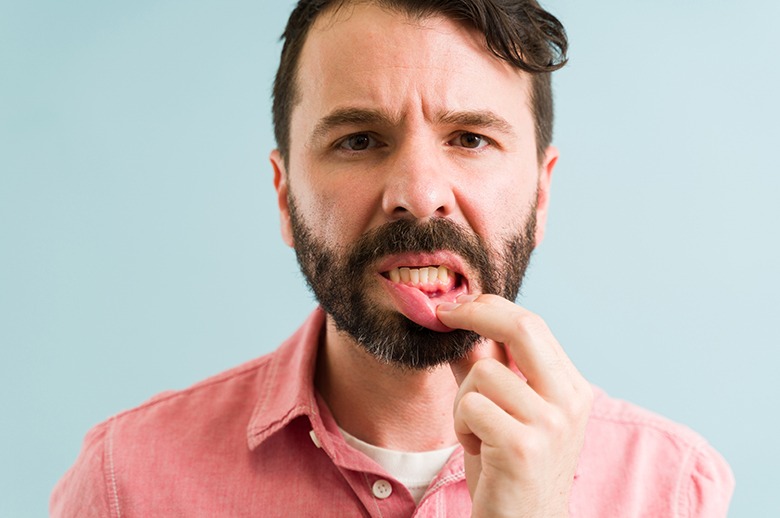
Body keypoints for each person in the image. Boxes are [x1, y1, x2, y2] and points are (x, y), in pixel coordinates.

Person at [51, 1, 735, 516]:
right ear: (285, 196)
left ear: (541, 193)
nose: (418, 195)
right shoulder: (125, 482)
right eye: (357, 140)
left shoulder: (672, 489)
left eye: (469, 138)